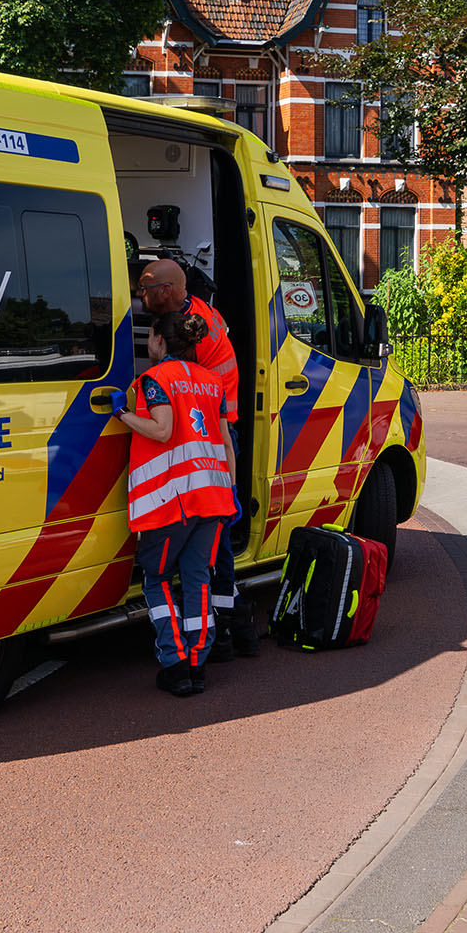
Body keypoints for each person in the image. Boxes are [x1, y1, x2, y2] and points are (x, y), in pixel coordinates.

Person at [138, 258, 260, 658]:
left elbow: (172, 407)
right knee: (210, 547)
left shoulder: (190, 339)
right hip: (214, 435)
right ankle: (226, 631)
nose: (140, 296)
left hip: (206, 436)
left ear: (168, 292)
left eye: (145, 288)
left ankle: (228, 630)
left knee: (215, 548)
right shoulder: (193, 316)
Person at [116, 309, 237, 696]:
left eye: (149, 337)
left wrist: (122, 413)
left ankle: (174, 662)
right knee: (198, 579)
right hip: (214, 498)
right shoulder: (211, 380)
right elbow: (226, 443)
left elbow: (162, 430)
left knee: (157, 580)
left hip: (172, 501)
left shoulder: (154, 380)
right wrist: (229, 491)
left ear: (160, 341)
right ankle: (198, 663)